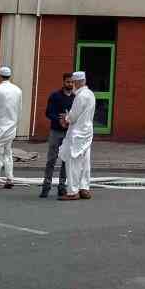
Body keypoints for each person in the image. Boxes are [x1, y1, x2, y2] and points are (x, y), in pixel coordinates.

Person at [60, 71, 95, 201]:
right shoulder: (90, 94)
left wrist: (66, 118)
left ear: (78, 82)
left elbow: (73, 116)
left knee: (73, 161)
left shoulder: (80, 96)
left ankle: (73, 191)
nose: (72, 85)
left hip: (77, 133)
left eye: (73, 82)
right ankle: (84, 188)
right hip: (87, 132)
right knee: (85, 161)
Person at [39, 72, 74, 199]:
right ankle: (46, 186)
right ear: (63, 82)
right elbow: (48, 112)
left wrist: (69, 119)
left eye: (71, 82)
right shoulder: (55, 96)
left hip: (68, 133)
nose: (70, 84)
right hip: (55, 131)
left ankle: (62, 186)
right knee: (51, 159)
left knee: (66, 160)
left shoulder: (75, 98)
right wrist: (59, 119)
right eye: (68, 82)